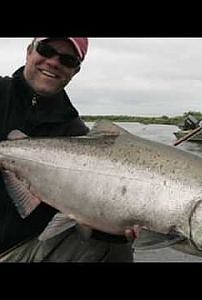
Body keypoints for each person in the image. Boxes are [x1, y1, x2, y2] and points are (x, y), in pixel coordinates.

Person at [0, 37, 139, 262]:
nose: (54, 62)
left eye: (67, 59)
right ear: (29, 51)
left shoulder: (76, 134)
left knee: (115, 250)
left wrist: (120, 228)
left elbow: (82, 207)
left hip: (24, 248)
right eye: (46, 50)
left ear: (75, 71)